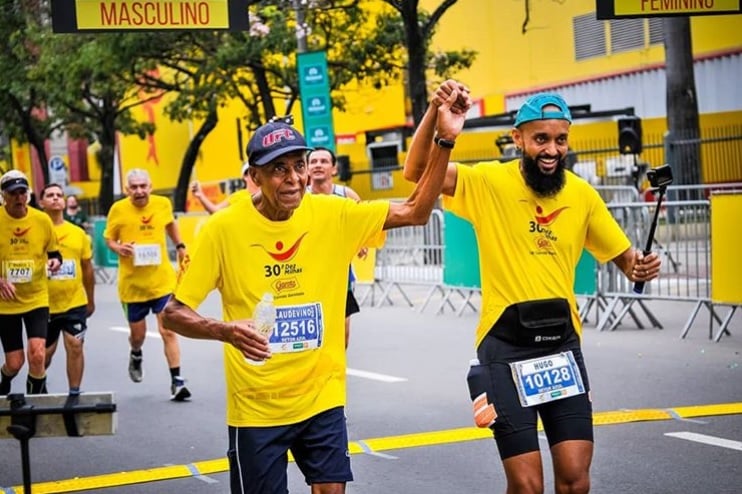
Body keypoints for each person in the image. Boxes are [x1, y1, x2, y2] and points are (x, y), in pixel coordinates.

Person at [162, 83, 470, 494]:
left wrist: (443, 136)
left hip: (322, 397)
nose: (294, 179)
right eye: (278, 169)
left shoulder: (333, 214)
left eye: (299, 166)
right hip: (257, 407)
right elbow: (173, 313)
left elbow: (416, 211)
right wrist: (225, 331)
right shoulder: (221, 229)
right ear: (253, 177)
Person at [404, 85, 662, 494]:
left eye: (560, 140)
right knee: (527, 487)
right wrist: (437, 116)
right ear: (519, 138)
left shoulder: (582, 195)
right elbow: (417, 171)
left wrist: (642, 266)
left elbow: (629, 263)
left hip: (561, 347)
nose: (552, 149)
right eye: (541, 139)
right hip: (505, 349)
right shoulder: (488, 181)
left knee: (575, 481)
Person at [104, 168, 191, 401]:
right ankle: (136, 353)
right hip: (133, 287)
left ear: (151, 187)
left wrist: (180, 245)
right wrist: (118, 248)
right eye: (134, 187)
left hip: (161, 281)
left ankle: (177, 380)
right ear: (126, 190)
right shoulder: (118, 209)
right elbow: (108, 238)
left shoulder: (162, 204)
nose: (139, 191)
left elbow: (171, 224)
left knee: (168, 330)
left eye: (143, 186)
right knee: (138, 335)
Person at [0, 170, 62, 396]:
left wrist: (54, 262)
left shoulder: (41, 220)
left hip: (36, 297)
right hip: (5, 303)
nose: (18, 197)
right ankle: (5, 377)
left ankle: (34, 405)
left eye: (22, 192)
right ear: (3, 196)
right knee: (15, 362)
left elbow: (55, 253)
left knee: (37, 355)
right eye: (13, 193)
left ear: (28, 194)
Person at [38, 184, 95, 400]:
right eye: (50, 195)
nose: (55, 199)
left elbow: (87, 268)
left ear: (64, 201)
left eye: (59, 195)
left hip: (74, 301)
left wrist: (90, 299)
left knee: (75, 345)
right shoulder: (36, 231)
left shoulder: (78, 233)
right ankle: (38, 386)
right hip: (43, 303)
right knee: (44, 354)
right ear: (41, 202)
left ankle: (74, 393)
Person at [306, 146, 366, 349]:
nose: (318, 165)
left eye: (323, 161)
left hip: (341, 275)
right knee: (315, 330)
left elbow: (364, 221)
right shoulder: (300, 198)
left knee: (343, 332)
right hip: (308, 273)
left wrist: (362, 241)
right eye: (313, 162)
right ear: (306, 169)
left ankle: (337, 370)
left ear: (334, 168)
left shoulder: (346, 195)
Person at [190, 161, 258, 214]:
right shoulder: (237, 197)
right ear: (245, 176)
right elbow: (215, 211)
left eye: (257, 171)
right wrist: (200, 195)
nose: (255, 175)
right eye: (252, 172)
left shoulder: (265, 193)